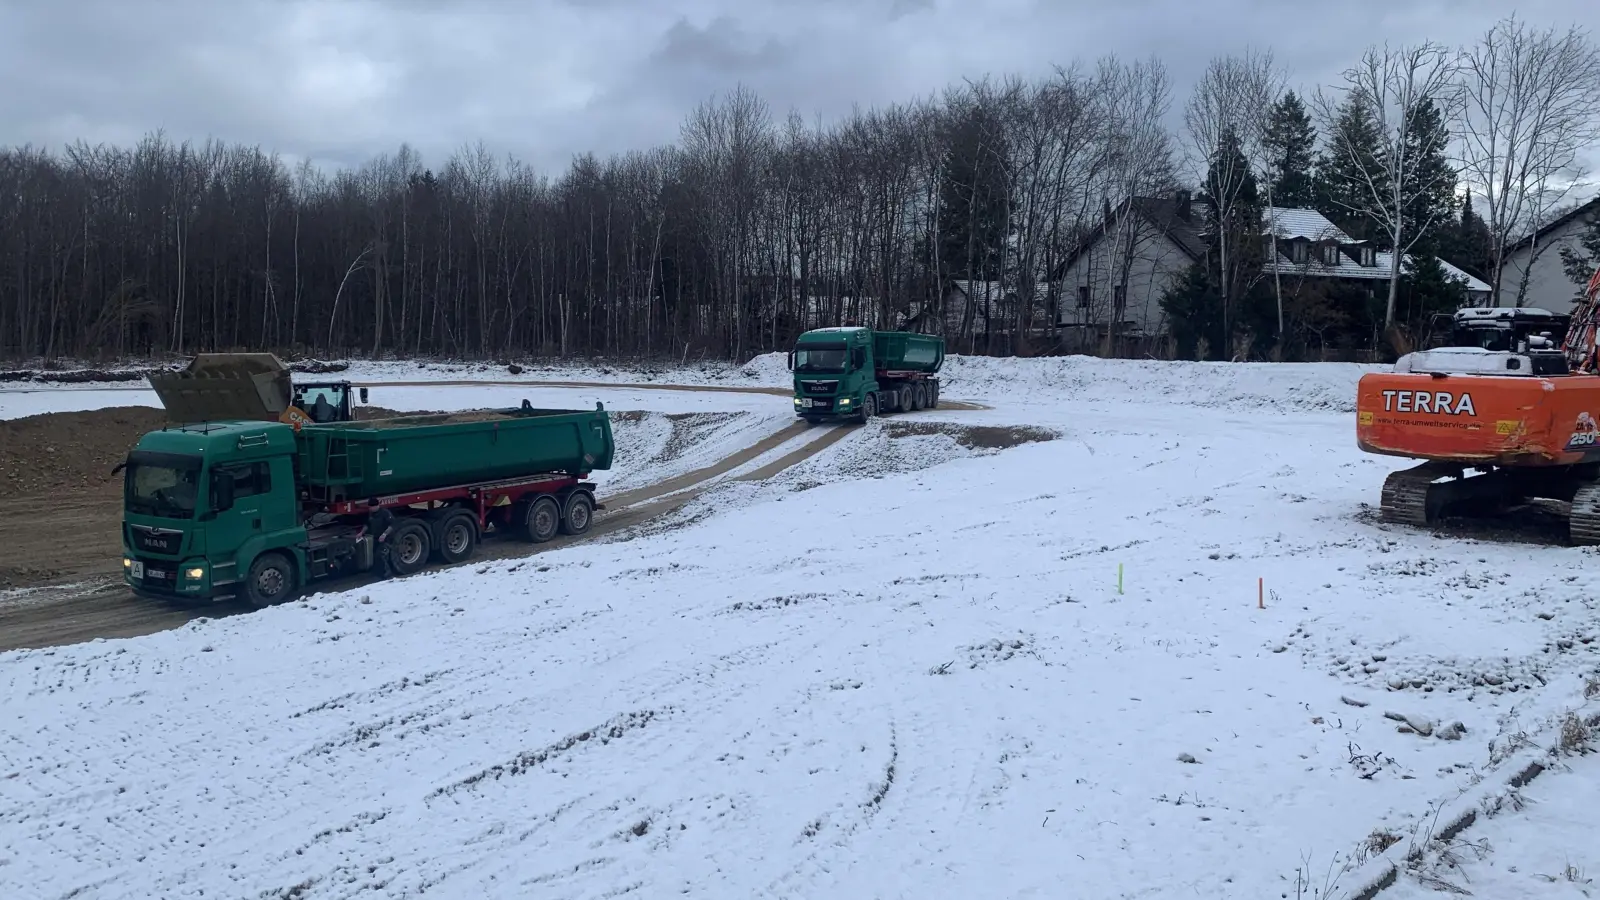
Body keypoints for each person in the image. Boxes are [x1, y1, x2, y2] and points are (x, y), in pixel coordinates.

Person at [367, 497, 395, 577]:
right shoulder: (371, 514)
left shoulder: (385, 513)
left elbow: (392, 525)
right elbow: (367, 524)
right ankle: (378, 572)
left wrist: (384, 534)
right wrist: (361, 532)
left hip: (386, 539)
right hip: (376, 538)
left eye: (372, 507)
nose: (370, 509)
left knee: (381, 555)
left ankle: (387, 573)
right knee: (374, 555)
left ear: (376, 506)